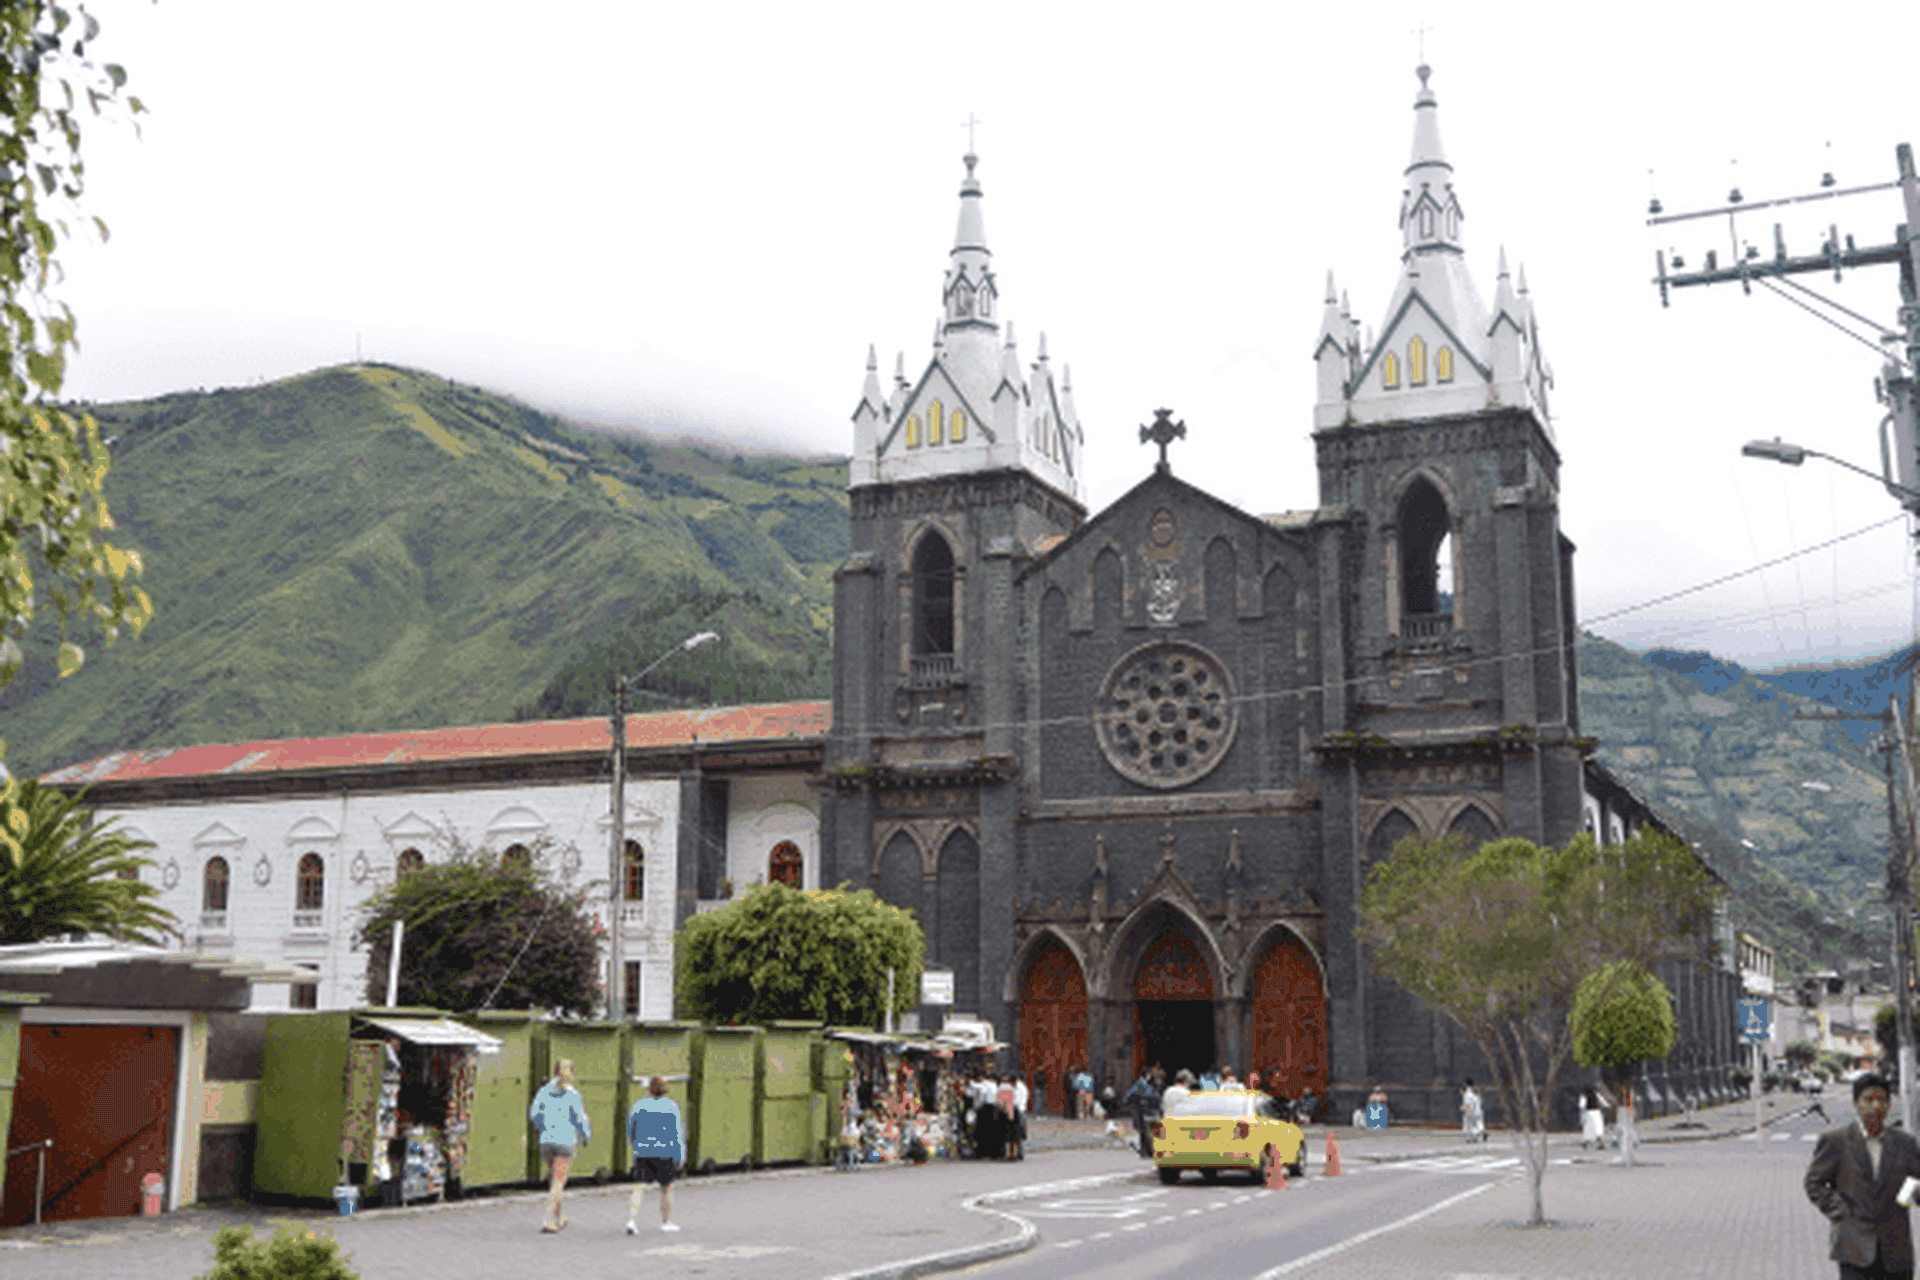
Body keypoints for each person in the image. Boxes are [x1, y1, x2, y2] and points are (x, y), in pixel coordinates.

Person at [1805, 1072, 1920, 1279]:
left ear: (1889, 1105)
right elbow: (1814, 1183)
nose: (1876, 1106)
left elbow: (1916, 1182)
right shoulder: (1836, 1141)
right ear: (1855, 1104)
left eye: (1882, 1100)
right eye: (1869, 1099)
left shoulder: (1905, 1143)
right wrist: (1840, 1211)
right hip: (1854, 1249)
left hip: (1896, 1251)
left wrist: (1906, 1198)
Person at [528, 1058, 591, 1233]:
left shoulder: (543, 1091)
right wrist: (585, 1135)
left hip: (546, 1142)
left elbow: (534, 1114)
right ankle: (548, 1220)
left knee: (554, 1181)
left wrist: (544, 1126)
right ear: (568, 1072)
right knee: (558, 1183)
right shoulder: (572, 1094)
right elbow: (579, 1118)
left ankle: (560, 1217)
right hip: (564, 1141)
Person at [626, 1075, 685, 1234]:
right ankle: (666, 1222)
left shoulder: (638, 1106)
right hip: (665, 1152)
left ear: (649, 1090)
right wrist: (680, 1156)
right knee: (666, 1188)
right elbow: (677, 1134)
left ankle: (632, 1221)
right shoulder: (672, 1107)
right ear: (665, 1091)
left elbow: (630, 1128)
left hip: (643, 1151)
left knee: (639, 1187)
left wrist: (635, 1145)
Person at [1125, 1068, 1160, 1160]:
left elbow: (1128, 1096)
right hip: (1146, 1111)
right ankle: (1146, 1152)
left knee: (1144, 1132)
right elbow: (1156, 1096)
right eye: (1149, 1074)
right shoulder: (1144, 1085)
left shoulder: (1142, 1085)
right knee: (1146, 1132)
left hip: (1143, 1110)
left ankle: (1146, 1152)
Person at [1010, 1075, 1030, 1161]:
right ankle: (1020, 1153)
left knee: (1017, 1132)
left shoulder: (1018, 1088)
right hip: (1022, 1110)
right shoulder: (1024, 1087)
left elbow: (1016, 1101)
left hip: (1018, 1111)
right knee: (1020, 1132)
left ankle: (1019, 1153)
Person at [1460, 1079, 1485, 1144]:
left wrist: (1466, 1110)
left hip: (1471, 1112)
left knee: (1469, 1125)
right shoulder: (1475, 1095)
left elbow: (1469, 1104)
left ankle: (1470, 1137)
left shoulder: (1467, 1095)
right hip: (1477, 1112)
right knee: (1476, 1125)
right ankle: (1475, 1137)